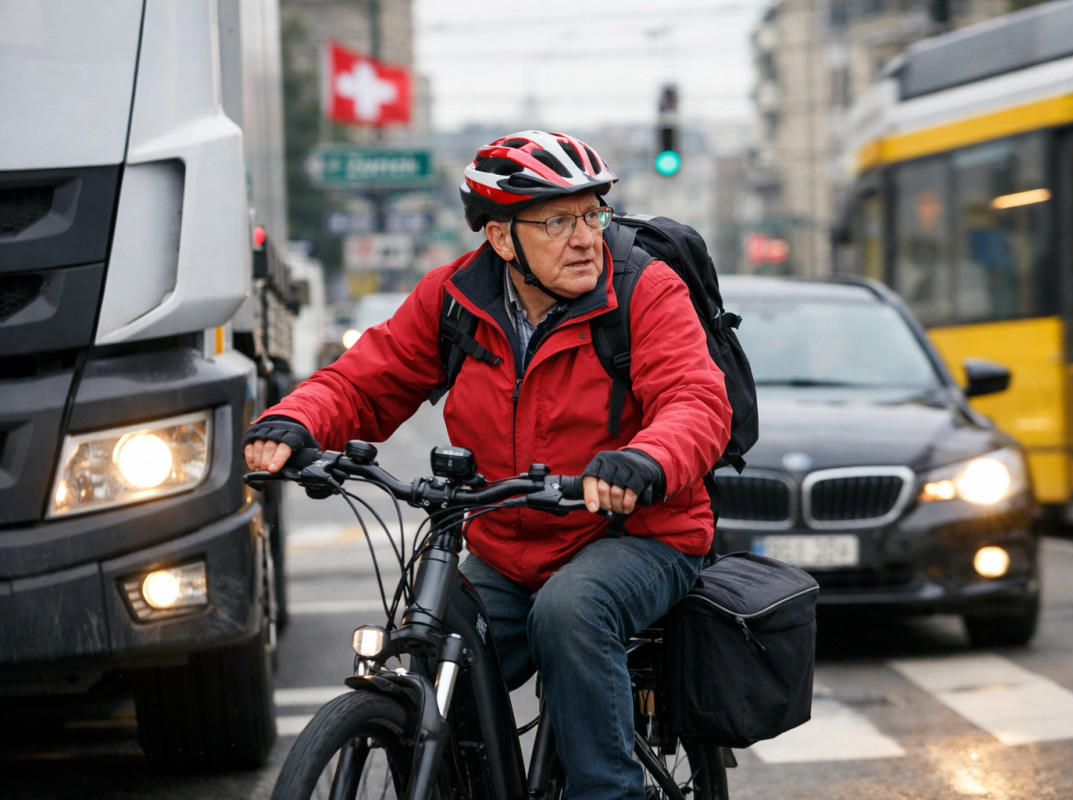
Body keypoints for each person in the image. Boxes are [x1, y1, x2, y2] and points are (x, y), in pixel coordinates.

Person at [244, 130, 731, 799]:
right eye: (557, 222)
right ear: (501, 238)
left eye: (592, 215)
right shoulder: (455, 299)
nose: (584, 238)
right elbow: (364, 380)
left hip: (638, 534)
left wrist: (644, 460)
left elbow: (694, 400)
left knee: (570, 610)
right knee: (433, 643)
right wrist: (296, 421)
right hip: (507, 547)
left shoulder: (644, 290)